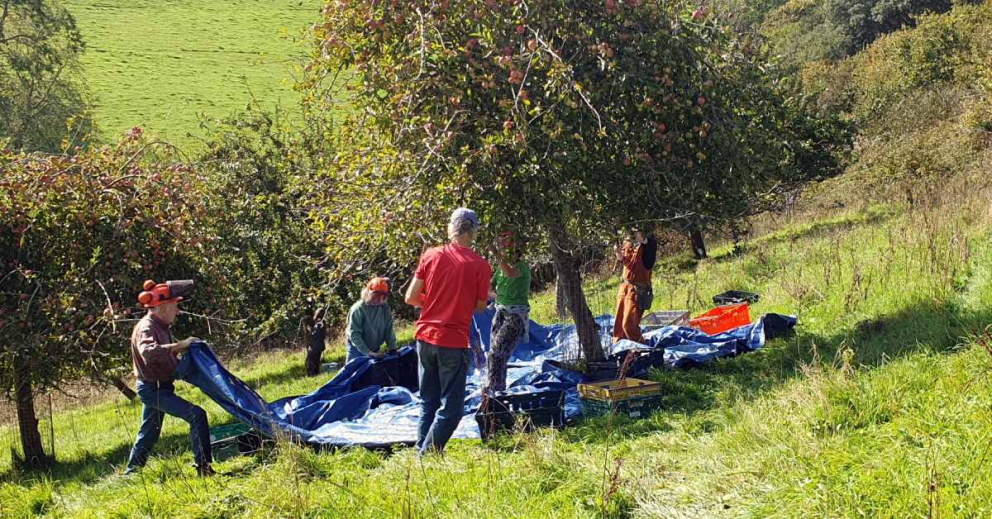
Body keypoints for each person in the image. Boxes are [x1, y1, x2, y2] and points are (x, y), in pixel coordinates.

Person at [405, 208, 491, 455]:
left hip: (424, 338)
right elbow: (480, 306)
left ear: (451, 228)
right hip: (452, 341)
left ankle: (421, 453)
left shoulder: (431, 255)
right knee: (452, 409)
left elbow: (411, 297)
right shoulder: (480, 265)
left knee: (428, 401)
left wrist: (435, 302)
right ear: (473, 231)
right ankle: (427, 456)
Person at [125, 279, 214, 476]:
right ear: (163, 306)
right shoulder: (146, 327)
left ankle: (131, 474)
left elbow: (164, 358)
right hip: (153, 389)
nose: (178, 311)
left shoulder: (161, 326)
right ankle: (204, 469)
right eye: (175, 305)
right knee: (197, 415)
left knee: (149, 433)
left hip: (159, 386)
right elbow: (148, 352)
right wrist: (182, 344)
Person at [484, 232, 531, 393]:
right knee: (495, 355)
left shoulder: (521, 268)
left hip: (516, 316)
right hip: (501, 313)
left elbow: (509, 272)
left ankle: (495, 392)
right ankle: (496, 390)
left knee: (497, 354)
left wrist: (495, 252)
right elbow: (489, 287)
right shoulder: (500, 269)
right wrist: (496, 296)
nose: (504, 254)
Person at [613, 227, 658, 344]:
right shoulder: (628, 242)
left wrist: (640, 235)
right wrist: (618, 253)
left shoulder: (649, 246)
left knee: (629, 325)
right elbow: (624, 260)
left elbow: (646, 243)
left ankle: (640, 351)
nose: (634, 233)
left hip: (637, 290)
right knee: (618, 327)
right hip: (624, 288)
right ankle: (621, 351)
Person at [345, 277, 398, 364]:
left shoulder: (384, 307)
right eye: (376, 296)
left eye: (383, 296)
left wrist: (392, 347)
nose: (380, 299)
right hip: (357, 349)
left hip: (375, 349)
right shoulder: (358, 309)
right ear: (368, 292)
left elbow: (389, 329)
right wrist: (368, 353)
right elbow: (354, 334)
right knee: (354, 374)